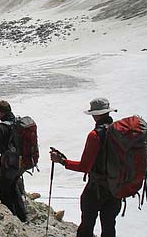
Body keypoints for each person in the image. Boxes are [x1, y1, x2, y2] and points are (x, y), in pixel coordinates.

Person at [50, 98, 122, 237]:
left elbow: (84, 166)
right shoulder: (120, 132)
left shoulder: (95, 136)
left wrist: (62, 161)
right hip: (116, 187)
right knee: (109, 227)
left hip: (96, 189)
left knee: (87, 226)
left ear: (95, 114)